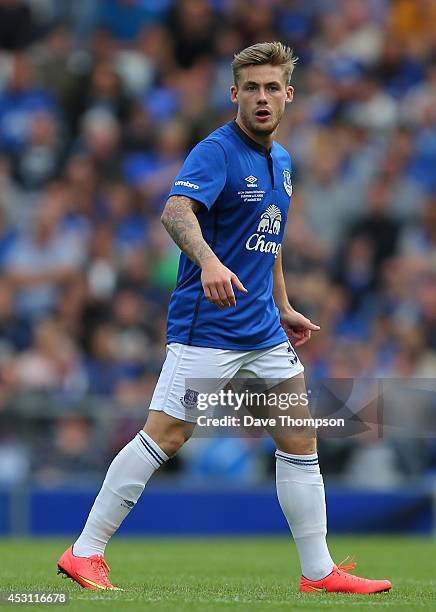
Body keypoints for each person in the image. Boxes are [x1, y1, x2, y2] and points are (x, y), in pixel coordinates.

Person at [57, 42, 391, 594]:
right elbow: (174, 211)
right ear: (235, 94)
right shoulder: (215, 151)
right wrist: (209, 262)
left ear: (289, 95)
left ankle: (319, 572)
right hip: (209, 327)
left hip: (261, 329)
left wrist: (282, 305)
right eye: (252, 88)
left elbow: (270, 239)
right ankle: (84, 553)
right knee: (167, 434)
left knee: (300, 435)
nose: (262, 98)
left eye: (272, 88)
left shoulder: (282, 162)